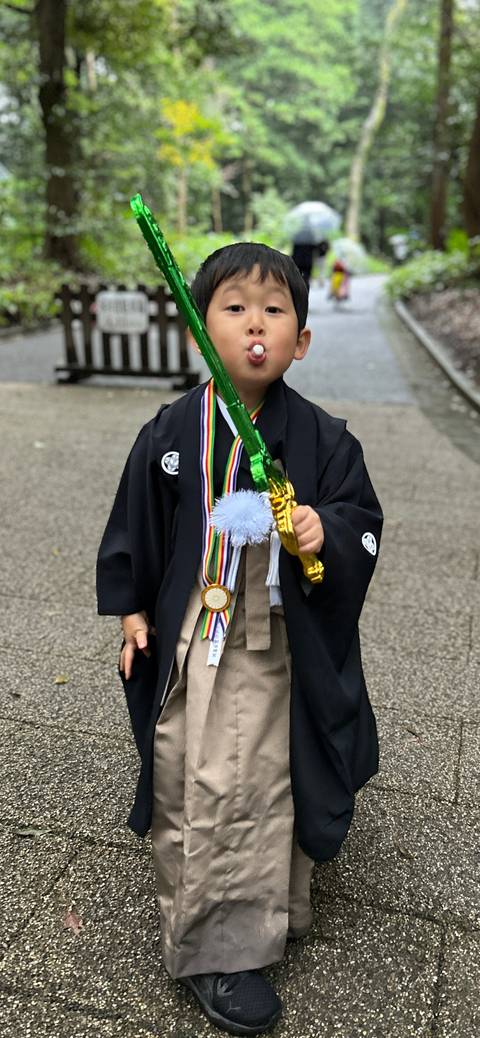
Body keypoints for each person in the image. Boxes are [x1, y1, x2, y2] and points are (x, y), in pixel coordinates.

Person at [96, 242, 383, 1036]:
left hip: (274, 639)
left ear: (303, 340)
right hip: (194, 626)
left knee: (248, 780)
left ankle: (229, 947)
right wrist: (130, 611)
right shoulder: (170, 430)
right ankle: (229, 910)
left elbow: (363, 522)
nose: (255, 325)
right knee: (189, 769)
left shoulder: (325, 439)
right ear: (199, 331)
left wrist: (324, 530)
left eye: (275, 311)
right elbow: (136, 527)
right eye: (233, 308)